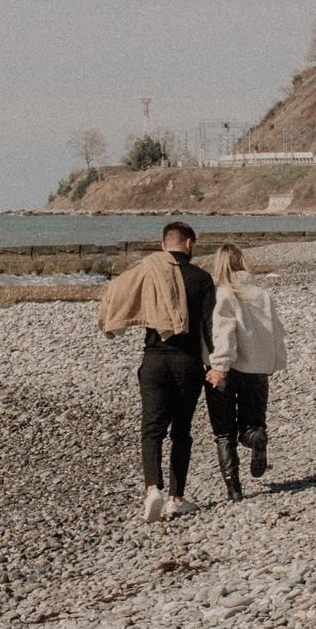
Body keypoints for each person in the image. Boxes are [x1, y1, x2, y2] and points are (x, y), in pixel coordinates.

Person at [96, 220, 215, 522]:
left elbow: (119, 290)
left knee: (152, 429)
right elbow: (209, 328)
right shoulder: (202, 278)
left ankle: (152, 489)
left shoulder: (146, 272)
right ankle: (176, 497)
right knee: (182, 431)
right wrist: (216, 365)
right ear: (189, 244)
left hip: (154, 360)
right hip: (187, 361)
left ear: (163, 246)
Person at [203, 241, 288, 499]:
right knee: (253, 423)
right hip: (258, 369)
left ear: (219, 265)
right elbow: (276, 332)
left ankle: (234, 488)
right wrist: (274, 362)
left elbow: (224, 333)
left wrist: (219, 366)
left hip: (227, 369)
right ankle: (256, 438)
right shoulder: (261, 294)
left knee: (224, 433)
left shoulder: (222, 294)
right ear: (242, 262)